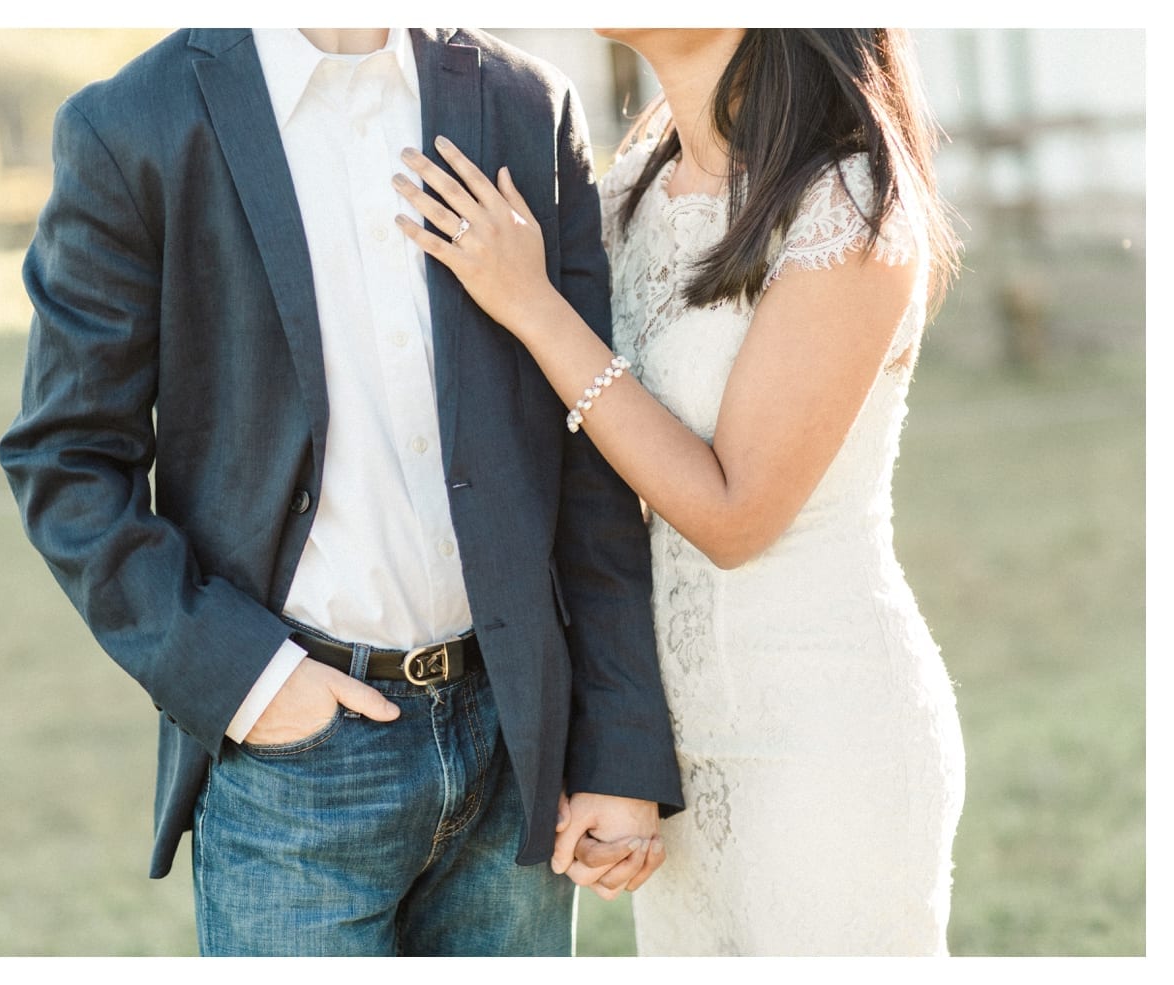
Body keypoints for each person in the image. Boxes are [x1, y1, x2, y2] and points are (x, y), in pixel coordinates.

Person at [0, 27, 683, 957]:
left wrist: (616, 749)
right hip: (294, 770)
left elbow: (587, 455)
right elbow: (66, 457)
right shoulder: (135, 127)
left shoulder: (527, 104)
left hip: (512, 751)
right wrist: (251, 680)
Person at [394, 28, 967, 955]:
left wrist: (534, 304)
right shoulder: (628, 188)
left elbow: (734, 514)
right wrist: (610, 747)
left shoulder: (849, 202)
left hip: (822, 740)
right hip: (673, 759)